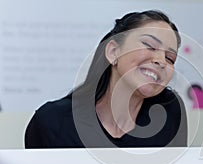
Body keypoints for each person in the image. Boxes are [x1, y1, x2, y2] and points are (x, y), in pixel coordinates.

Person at [24, 10, 187, 148]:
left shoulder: (169, 111)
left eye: (170, 58)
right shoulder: (52, 121)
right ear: (113, 51)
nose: (160, 60)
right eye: (149, 45)